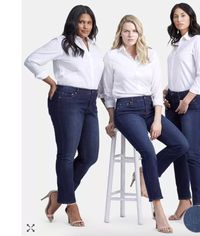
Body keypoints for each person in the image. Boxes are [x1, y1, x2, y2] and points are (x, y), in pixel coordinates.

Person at [102, 15, 189, 233]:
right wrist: (112, 118)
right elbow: (107, 93)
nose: (130, 34)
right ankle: (158, 207)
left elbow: (156, 91)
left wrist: (158, 119)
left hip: (150, 108)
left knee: (181, 144)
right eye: (125, 30)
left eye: (134, 31)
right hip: (126, 110)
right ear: (120, 33)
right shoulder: (112, 57)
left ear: (139, 33)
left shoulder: (150, 54)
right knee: (148, 152)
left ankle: (143, 174)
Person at [24, 5, 104, 227]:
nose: (85, 26)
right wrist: (49, 80)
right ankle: (71, 203)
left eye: (88, 22)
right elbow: (31, 59)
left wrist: (111, 110)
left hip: (90, 101)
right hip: (66, 99)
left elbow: (100, 81)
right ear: (73, 22)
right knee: (67, 154)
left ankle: (58, 195)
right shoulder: (61, 42)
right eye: (81, 22)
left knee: (90, 155)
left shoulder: (95, 49)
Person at [164, 3, 200, 220]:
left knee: (191, 153)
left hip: (191, 101)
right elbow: (177, 74)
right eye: (175, 16)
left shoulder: (197, 41)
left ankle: (199, 206)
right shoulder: (176, 45)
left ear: (190, 17)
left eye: (183, 15)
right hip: (172, 101)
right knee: (177, 151)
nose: (179, 19)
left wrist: (187, 100)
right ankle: (184, 201)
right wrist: (166, 91)